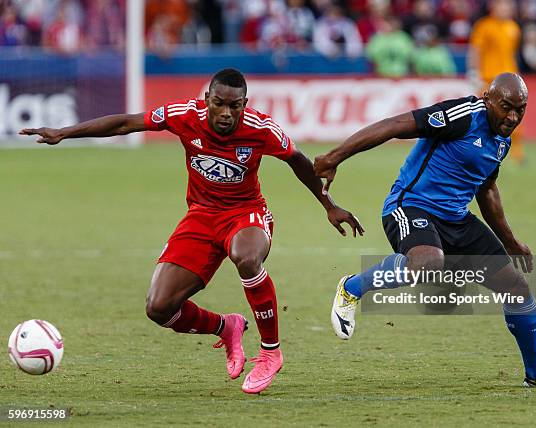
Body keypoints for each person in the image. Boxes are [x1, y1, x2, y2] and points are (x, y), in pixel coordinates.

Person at [20, 68, 364, 394]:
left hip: (246, 213)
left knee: (245, 258)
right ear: (206, 99)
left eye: (235, 105)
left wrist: (328, 204)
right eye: (219, 103)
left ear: (245, 104)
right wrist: (65, 132)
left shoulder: (261, 129)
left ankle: (271, 352)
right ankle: (225, 327)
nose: (226, 112)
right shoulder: (184, 115)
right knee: (159, 308)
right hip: (200, 218)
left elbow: (299, 161)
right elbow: (126, 123)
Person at [314, 73, 536, 388]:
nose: (512, 117)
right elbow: (394, 125)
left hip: (456, 219)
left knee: (516, 289)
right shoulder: (462, 116)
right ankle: (351, 287)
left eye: (520, 109)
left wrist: (510, 241)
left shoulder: (502, 140)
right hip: (410, 206)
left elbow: (486, 190)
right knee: (428, 263)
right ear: (487, 98)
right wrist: (335, 156)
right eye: (506, 107)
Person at [468, 0, 524, 165]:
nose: (506, 9)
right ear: (493, 7)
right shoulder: (484, 26)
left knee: (514, 116)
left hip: (509, 79)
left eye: (508, 5)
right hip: (488, 80)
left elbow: (513, 54)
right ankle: (479, 151)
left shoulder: (514, 28)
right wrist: (474, 73)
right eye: (502, 5)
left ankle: (516, 153)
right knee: (483, 117)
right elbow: (475, 50)